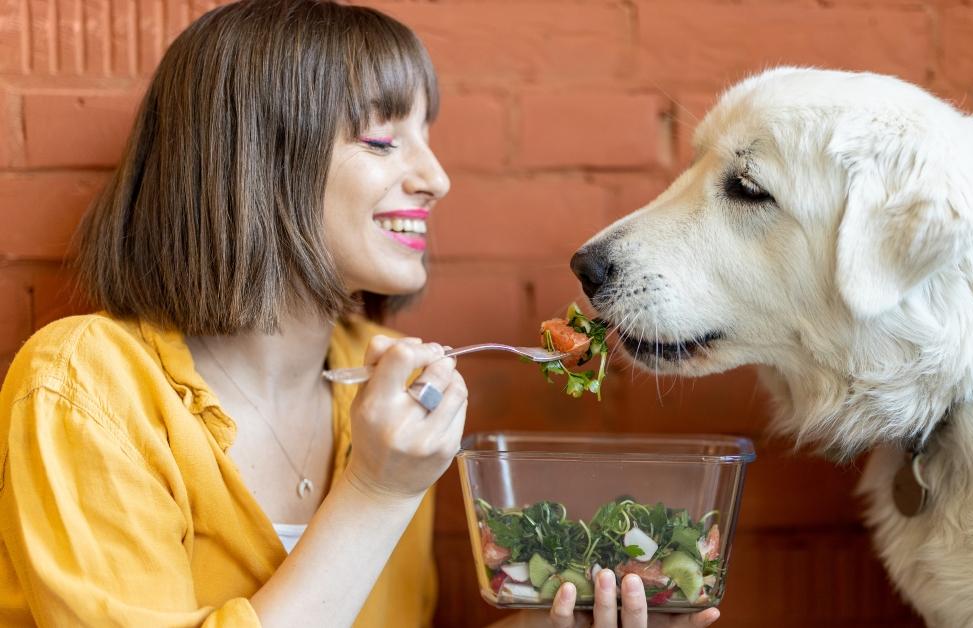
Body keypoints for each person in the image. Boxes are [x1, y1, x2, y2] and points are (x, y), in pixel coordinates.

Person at [0, 1, 722, 627]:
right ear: (255, 163)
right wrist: (377, 490)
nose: (435, 180)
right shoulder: (84, 389)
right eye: (382, 141)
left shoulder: (390, 386)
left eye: (427, 137)